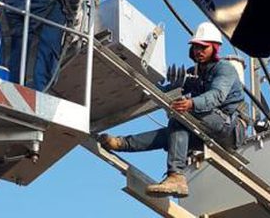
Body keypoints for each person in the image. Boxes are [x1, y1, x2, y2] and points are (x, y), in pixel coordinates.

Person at [100, 22, 247, 198]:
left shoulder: (224, 69)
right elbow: (167, 90)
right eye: (196, 47)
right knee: (172, 134)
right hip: (211, 127)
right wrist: (139, 86)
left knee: (180, 116)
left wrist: (191, 104)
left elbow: (216, 95)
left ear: (214, 48)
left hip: (229, 128)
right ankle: (123, 143)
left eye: (204, 47)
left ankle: (176, 176)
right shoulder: (194, 72)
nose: (198, 51)